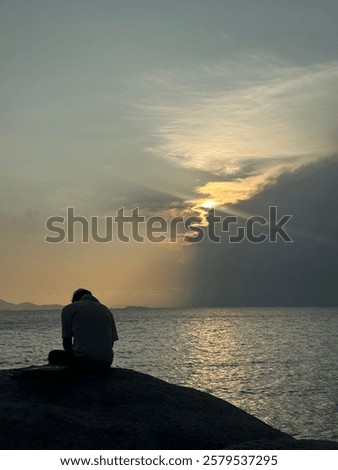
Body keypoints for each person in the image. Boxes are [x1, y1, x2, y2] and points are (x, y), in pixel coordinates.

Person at [48, 288, 118, 372]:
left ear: (74, 300)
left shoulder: (69, 309)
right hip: (106, 362)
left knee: (53, 355)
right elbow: (111, 342)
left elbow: (66, 342)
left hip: (83, 361)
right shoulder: (106, 310)